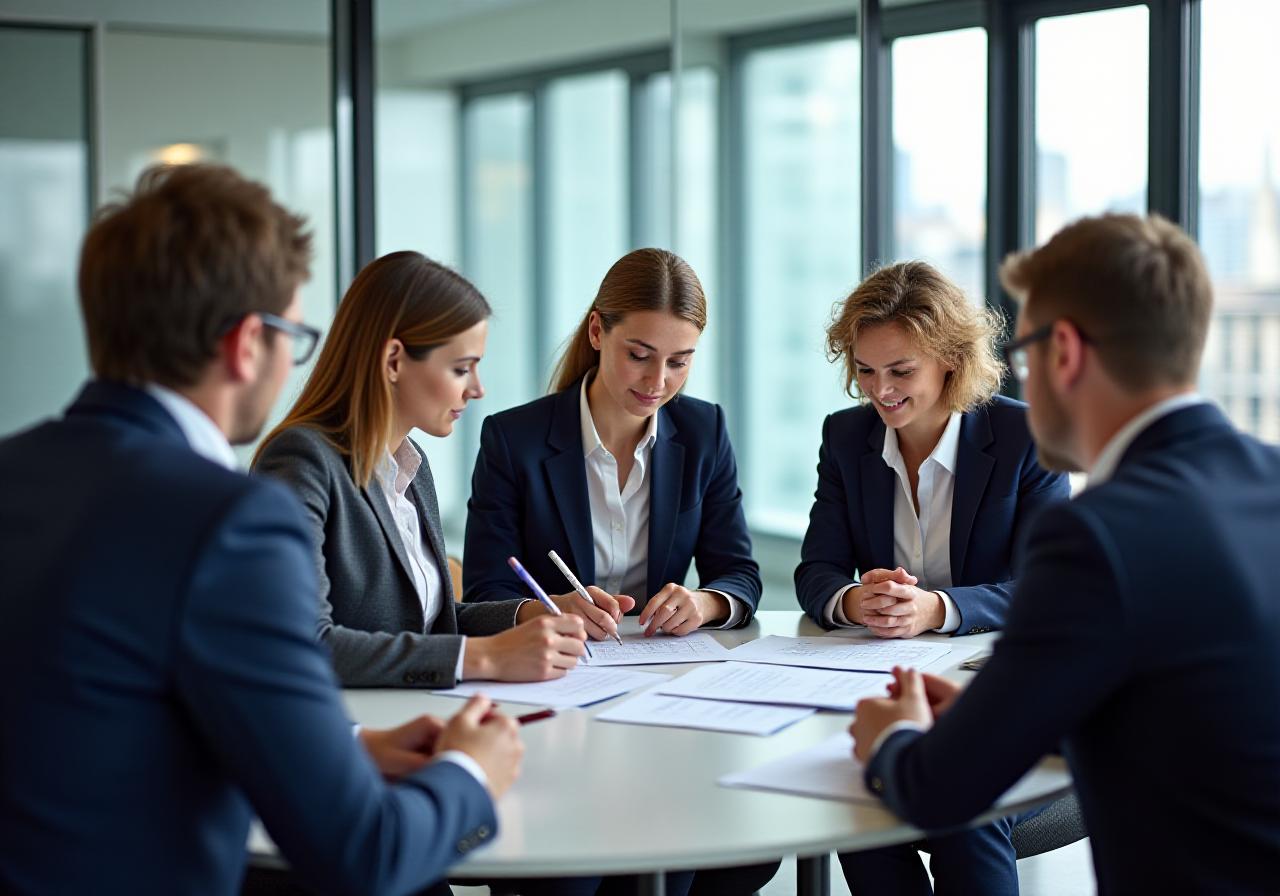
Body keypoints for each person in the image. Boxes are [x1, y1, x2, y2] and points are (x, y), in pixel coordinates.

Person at [0, 164, 525, 896]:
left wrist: (344, 744)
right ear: (249, 343)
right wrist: (473, 772)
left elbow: (109, 702)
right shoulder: (231, 521)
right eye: (294, 334)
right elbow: (364, 855)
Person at [852, 214, 1280, 893]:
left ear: (1067, 353)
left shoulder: (1096, 537)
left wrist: (890, 737)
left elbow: (939, 792)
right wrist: (994, 711)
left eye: (1022, 356)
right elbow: (1197, 708)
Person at [463, 247, 771, 896]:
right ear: (598, 332)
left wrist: (704, 603)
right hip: (557, 702)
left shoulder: (704, 431)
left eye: (679, 360)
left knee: (706, 846)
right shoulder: (513, 440)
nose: (658, 379)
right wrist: (543, 609)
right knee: (576, 874)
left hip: (667, 704)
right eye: (640, 353)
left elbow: (738, 571)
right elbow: (485, 590)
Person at [795, 261, 1067, 893]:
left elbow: (1047, 588)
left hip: (1000, 692)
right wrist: (853, 599)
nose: (879, 390)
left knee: (959, 801)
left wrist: (936, 609)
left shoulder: (1026, 437)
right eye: (865, 370)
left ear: (949, 359)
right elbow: (817, 570)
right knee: (857, 792)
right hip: (885, 682)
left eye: (900, 370)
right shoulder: (846, 438)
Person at [253, 251, 588, 688]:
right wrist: (484, 658)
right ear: (393, 361)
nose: (477, 390)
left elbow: (431, 625)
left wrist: (531, 612)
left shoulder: (411, 465)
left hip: (419, 714)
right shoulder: (301, 461)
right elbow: (305, 643)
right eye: (461, 368)